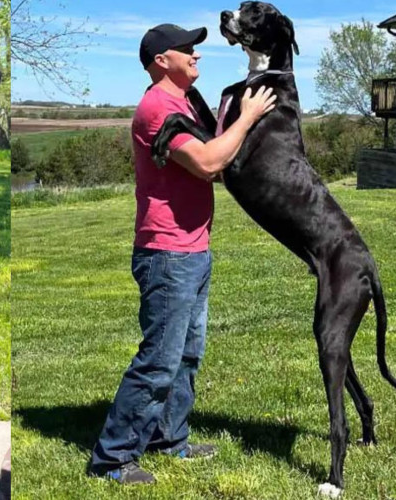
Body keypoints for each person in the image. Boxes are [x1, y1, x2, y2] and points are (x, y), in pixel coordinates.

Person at [88, 23, 276, 484]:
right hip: (167, 253)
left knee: (187, 354)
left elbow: (214, 155)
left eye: (196, 49)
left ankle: (169, 437)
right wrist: (248, 116)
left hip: (193, 248)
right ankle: (112, 458)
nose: (196, 55)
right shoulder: (157, 108)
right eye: (186, 49)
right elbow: (211, 161)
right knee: (159, 359)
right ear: (160, 61)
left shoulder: (186, 102)